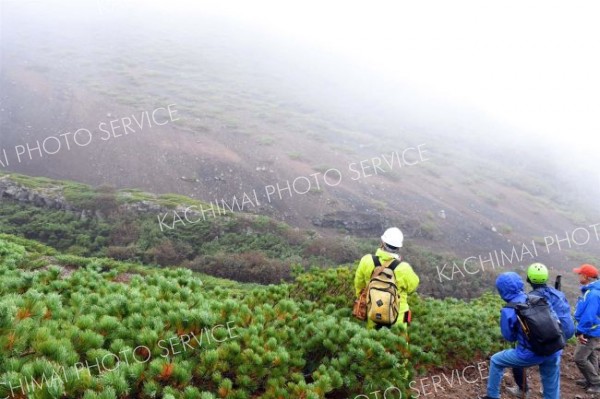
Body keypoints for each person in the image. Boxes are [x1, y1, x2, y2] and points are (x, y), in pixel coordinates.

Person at [479, 272, 561, 399]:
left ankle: (492, 396)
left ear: (502, 291)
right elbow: (556, 321)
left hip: (530, 354)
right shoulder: (538, 299)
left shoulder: (509, 309)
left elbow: (509, 337)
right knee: (550, 381)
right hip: (554, 348)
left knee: (496, 360)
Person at [507, 263, 575, 398]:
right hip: (562, 338)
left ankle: (523, 390)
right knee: (551, 368)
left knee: (518, 354)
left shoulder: (529, 299)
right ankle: (549, 392)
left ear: (528, 279)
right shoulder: (559, 294)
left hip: (547, 339)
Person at [354, 227, 419, 330]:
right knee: (398, 345)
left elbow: (359, 285)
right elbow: (412, 287)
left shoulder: (367, 260)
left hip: (373, 314)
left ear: (383, 242)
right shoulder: (404, 268)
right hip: (397, 320)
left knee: (371, 343)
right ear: (398, 247)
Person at [573, 263, 600, 393]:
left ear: (586, 276)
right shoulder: (593, 290)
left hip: (590, 330)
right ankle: (591, 379)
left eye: (580, 274)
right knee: (591, 355)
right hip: (593, 329)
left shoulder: (593, 293)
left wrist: (580, 331)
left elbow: (589, 316)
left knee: (579, 357)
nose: (578, 276)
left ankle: (595, 383)